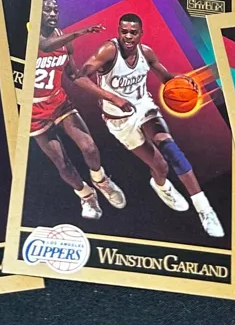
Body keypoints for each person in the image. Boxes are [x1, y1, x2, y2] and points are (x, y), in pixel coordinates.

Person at [78, 13, 224, 237]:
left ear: (141, 34)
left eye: (133, 32)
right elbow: (79, 77)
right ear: (118, 32)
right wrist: (113, 98)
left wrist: (189, 84)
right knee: (161, 167)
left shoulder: (146, 53)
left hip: (144, 108)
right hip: (119, 120)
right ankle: (161, 186)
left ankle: (204, 209)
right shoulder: (108, 51)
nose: (128, 36)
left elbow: (168, 79)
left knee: (171, 150)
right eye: (124, 32)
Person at [29, 0, 127, 219]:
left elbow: (74, 76)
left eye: (55, 10)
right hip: (33, 113)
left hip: (58, 102)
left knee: (89, 147)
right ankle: (86, 195)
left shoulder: (64, 40)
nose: (52, 14)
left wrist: (111, 96)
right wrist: (81, 32)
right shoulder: (29, 37)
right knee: (63, 166)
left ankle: (101, 181)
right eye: (46, 10)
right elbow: (44, 46)